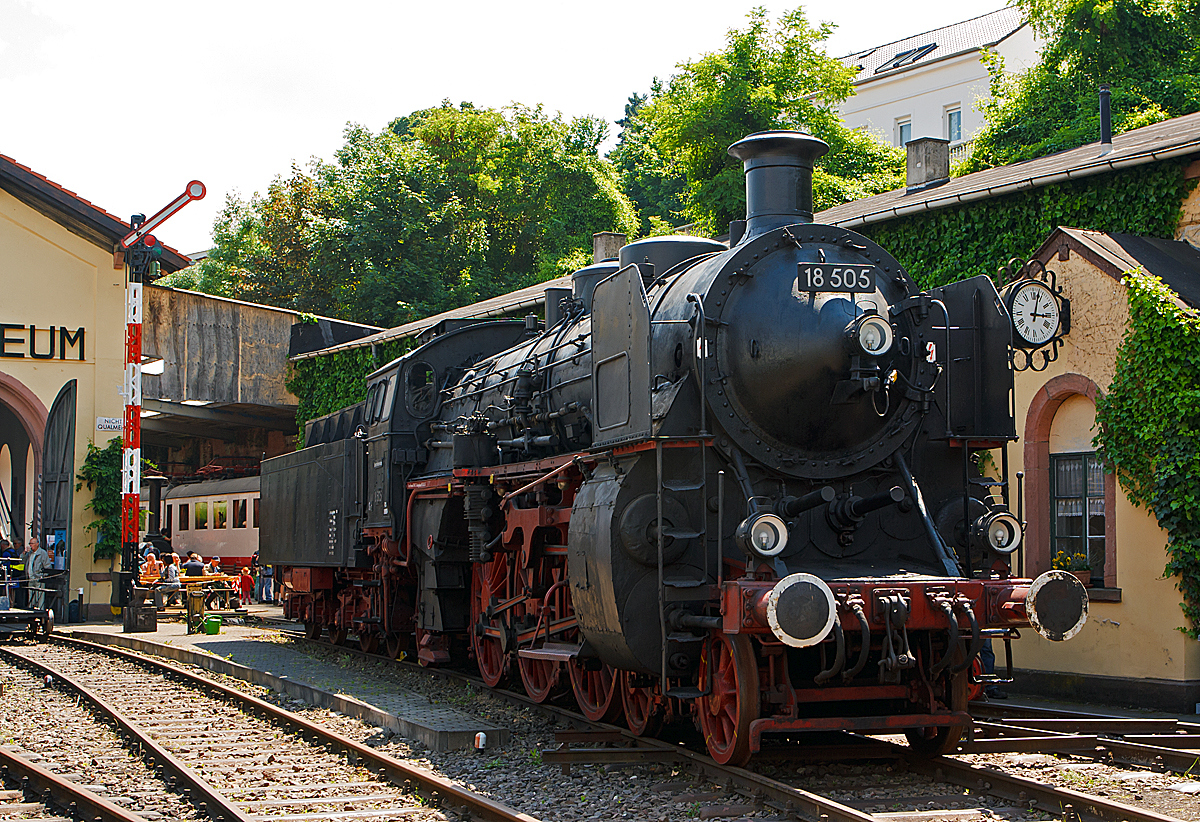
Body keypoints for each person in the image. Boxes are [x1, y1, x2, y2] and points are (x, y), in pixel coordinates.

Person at [26, 538, 51, 611]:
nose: (31, 545)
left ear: (37, 544)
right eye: (30, 543)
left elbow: (47, 566)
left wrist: (43, 577)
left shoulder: (42, 553)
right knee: (31, 597)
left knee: (39, 597)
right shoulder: (29, 553)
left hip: (39, 579)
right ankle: (31, 611)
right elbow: (22, 561)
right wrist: (24, 553)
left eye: (32, 543)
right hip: (30, 578)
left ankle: (40, 612)